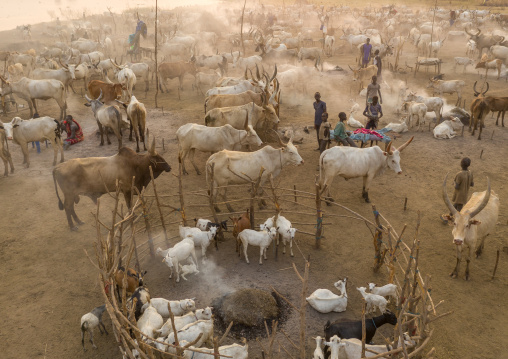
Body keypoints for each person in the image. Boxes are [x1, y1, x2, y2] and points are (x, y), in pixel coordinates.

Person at [441, 157, 474, 222]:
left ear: (461, 164)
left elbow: (456, 187)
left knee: (459, 210)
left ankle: (458, 221)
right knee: (455, 205)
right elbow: (472, 184)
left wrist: (454, 182)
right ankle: (448, 217)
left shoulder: (459, 174)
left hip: (459, 194)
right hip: (465, 193)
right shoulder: (470, 173)